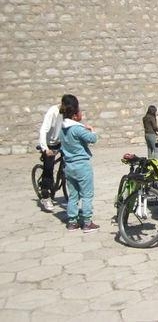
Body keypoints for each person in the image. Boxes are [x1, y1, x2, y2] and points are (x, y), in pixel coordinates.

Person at [59, 95, 99, 232]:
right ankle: (87, 222)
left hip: (69, 165)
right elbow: (92, 139)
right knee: (87, 195)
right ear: (75, 115)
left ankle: (72, 221)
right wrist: (92, 129)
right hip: (82, 165)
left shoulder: (62, 128)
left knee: (73, 195)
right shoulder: (77, 128)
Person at [37, 94, 77, 212]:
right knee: (48, 168)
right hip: (49, 144)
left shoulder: (69, 112)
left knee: (70, 163)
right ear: (63, 104)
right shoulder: (52, 112)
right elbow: (43, 130)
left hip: (61, 142)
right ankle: (45, 195)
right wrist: (45, 149)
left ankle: (65, 182)